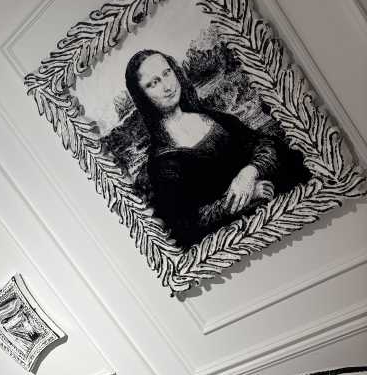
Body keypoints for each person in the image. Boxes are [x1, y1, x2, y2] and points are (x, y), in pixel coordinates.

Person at [124, 49, 309, 249]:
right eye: (153, 83)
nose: (167, 86)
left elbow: (265, 144)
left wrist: (249, 172)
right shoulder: (161, 162)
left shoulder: (212, 117)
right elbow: (188, 223)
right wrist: (244, 198)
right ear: (142, 96)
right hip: (243, 238)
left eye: (167, 73)